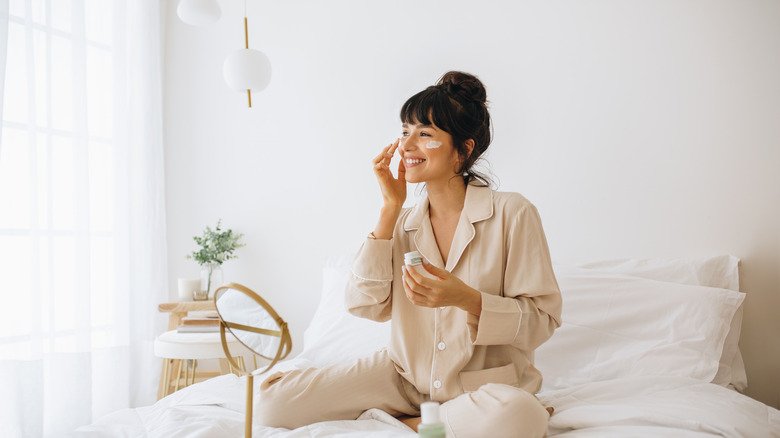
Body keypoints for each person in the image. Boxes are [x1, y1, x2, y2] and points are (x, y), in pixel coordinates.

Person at [256, 71, 562, 438]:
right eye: (405, 132)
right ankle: (432, 422)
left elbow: (541, 321)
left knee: (520, 413)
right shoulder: (401, 223)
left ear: (462, 150)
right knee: (272, 403)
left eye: (425, 134)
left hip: (479, 387)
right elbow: (364, 305)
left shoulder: (513, 213)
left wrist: (467, 299)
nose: (407, 145)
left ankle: (413, 424)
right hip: (404, 379)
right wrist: (389, 209)